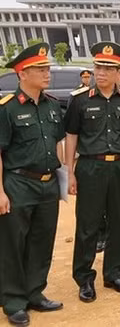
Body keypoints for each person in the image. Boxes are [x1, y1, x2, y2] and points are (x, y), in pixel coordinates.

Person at [64, 42, 120, 303]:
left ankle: (114, 273)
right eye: (98, 66)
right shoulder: (79, 99)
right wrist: (70, 171)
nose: (101, 72)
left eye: (108, 68)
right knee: (88, 224)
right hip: (90, 166)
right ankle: (84, 278)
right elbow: (71, 136)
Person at [0, 44, 65, 326]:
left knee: (42, 241)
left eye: (47, 68)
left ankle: (35, 292)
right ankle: (14, 300)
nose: (46, 73)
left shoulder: (52, 105)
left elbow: (58, 143)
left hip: (47, 184)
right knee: (13, 244)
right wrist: (0, 191)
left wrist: (63, 178)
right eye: (40, 69)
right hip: (18, 183)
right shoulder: (7, 108)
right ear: (22, 73)